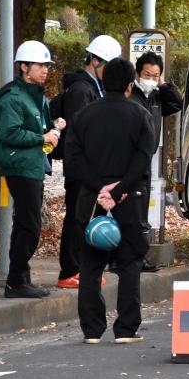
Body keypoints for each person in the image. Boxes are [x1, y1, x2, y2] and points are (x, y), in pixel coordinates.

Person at [64, 58, 155, 343]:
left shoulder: (84, 115)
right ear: (130, 85)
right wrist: (117, 191)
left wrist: (100, 188)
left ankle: (91, 329)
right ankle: (126, 328)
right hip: (129, 198)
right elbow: (144, 157)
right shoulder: (140, 115)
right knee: (130, 263)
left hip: (91, 199)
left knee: (91, 264)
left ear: (103, 82)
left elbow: (73, 158)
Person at [0, 40, 61, 298]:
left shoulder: (34, 96)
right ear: (24, 66)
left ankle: (19, 278)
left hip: (31, 166)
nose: (45, 69)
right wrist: (41, 138)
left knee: (26, 224)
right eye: (39, 65)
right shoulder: (14, 98)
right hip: (20, 167)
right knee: (31, 226)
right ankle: (16, 280)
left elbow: (35, 128)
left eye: (47, 65)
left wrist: (52, 126)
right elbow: (9, 133)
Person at [57, 34, 121, 289]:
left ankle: (79, 267)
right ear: (94, 60)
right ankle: (70, 269)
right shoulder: (82, 90)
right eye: (107, 65)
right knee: (76, 217)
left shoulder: (91, 87)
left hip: (87, 165)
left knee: (84, 216)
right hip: (81, 167)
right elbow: (82, 130)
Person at [128, 51, 183, 272]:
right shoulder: (130, 95)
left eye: (155, 75)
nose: (150, 79)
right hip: (129, 158)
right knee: (130, 209)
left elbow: (178, 103)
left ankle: (138, 256)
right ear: (137, 73)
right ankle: (123, 257)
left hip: (146, 160)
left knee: (141, 209)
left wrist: (163, 84)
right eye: (147, 74)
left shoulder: (157, 96)